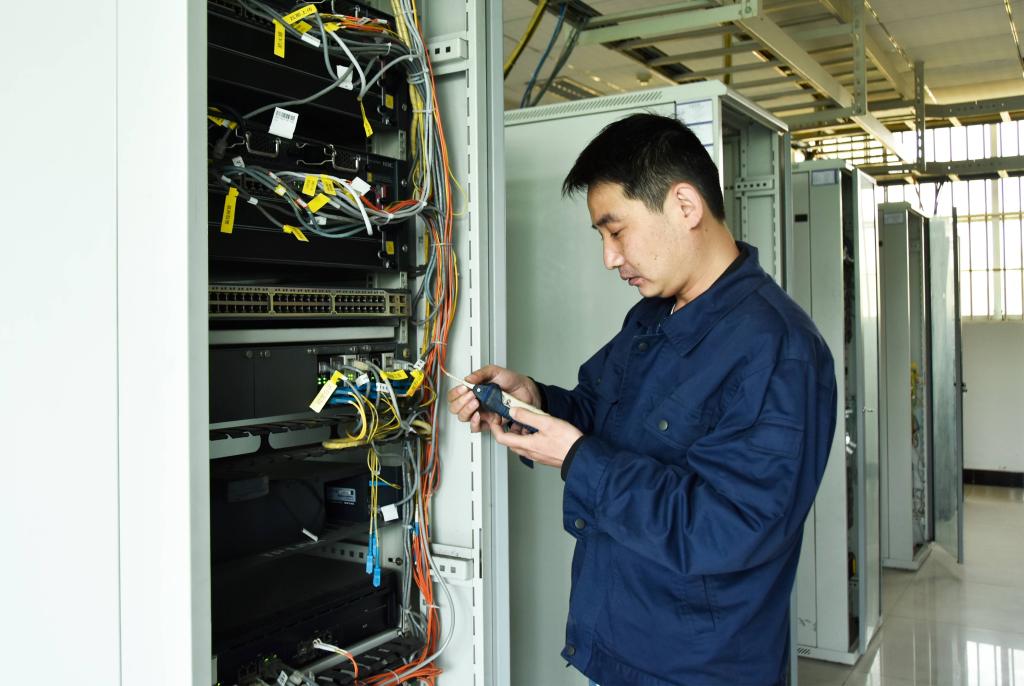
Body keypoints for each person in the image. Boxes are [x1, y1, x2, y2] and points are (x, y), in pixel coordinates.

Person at [448, 113, 836, 686]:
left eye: (616, 231)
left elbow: (730, 528)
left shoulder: (778, 349)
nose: (609, 257)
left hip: (697, 670)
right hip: (621, 646)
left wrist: (577, 457)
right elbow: (600, 415)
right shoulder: (652, 318)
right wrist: (534, 402)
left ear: (685, 205)